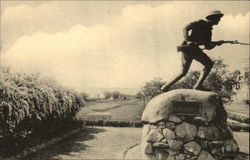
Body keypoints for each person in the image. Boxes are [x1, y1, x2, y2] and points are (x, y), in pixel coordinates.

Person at [161, 10, 224, 92]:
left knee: (209, 64)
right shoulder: (200, 22)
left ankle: (198, 85)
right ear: (212, 18)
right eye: (218, 18)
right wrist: (188, 41)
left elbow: (207, 46)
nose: (219, 20)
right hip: (188, 48)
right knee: (184, 72)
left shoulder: (209, 31)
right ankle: (166, 87)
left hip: (195, 49)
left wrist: (216, 44)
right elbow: (185, 28)